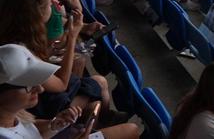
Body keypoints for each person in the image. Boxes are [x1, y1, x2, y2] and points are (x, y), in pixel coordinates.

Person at [0, 44, 139, 139]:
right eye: (29, 86)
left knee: (132, 129)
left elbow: (29, 129)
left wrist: (53, 125)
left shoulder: (13, 114)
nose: (41, 88)